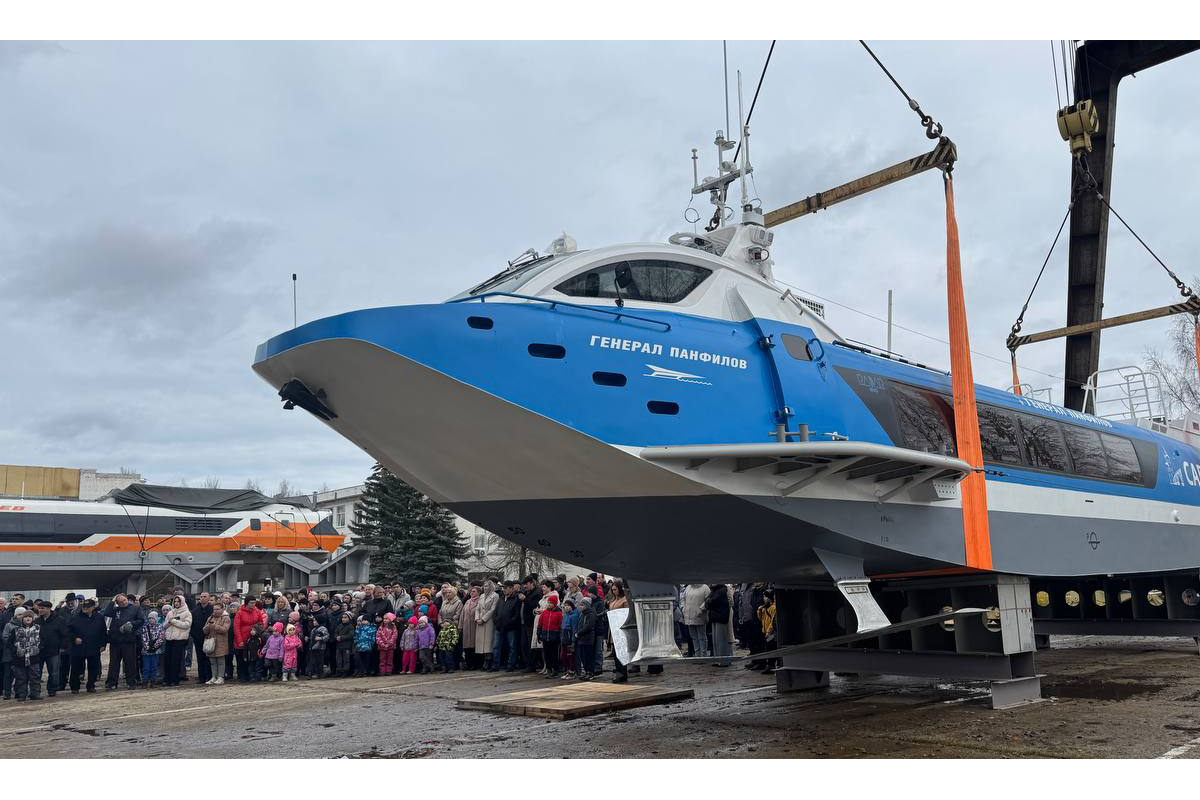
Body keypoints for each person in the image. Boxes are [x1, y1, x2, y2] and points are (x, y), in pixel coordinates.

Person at [104, 593, 145, 690]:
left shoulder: (136, 608)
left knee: (130, 662)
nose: (123, 603)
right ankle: (112, 682)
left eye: (124, 600)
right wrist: (112, 601)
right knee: (114, 663)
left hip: (128, 640)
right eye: (120, 602)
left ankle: (131, 682)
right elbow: (107, 613)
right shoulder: (115, 609)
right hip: (115, 640)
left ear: (127, 599)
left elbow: (141, 620)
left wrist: (132, 624)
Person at [68, 598, 108, 693]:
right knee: (76, 668)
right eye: (84, 607)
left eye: (88, 607)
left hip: (93, 646)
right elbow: (68, 631)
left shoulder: (99, 617)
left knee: (93, 667)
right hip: (78, 648)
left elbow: (103, 632)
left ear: (93, 607)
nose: (85, 608)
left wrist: (103, 644)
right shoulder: (75, 617)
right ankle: (75, 687)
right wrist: (74, 638)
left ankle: (91, 685)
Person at [34, 600, 68, 697]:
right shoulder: (37, 621)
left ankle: (52, 689)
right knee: (36, 673)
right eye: (39, 608)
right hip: (39, 651)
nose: (40, 610)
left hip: (54, 650)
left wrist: (62, 647)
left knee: (54, 672)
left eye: (42, 608)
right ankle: (36, 691)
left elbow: (65, 635)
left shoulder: (59, 620)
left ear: (49, 609)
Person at [11, 607, 42, 701]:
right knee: (21, 678)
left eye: (30, 616)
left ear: (33, 618)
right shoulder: (16, 630)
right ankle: (21, 695)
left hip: (34, 657)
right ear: (22, 618)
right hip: (20, 658)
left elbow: (44, 640)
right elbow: (10, 643)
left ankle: (35, 694)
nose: (28, 618)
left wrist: (39, 648)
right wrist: (15, 651)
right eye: (26, 617)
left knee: (35, 677)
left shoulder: (38, 629)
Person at [233, 600, 266, 682]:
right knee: (242, 658)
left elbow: (261, 623)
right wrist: (240, 640)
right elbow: (236, 627)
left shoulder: (257, 611)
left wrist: (257, 632)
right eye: (251, 603)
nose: (253, 604)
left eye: (254, 603)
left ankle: (252, 675)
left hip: (254, 638)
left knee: (252, 659)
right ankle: (242, 676)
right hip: (242, 637)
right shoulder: (240, 613)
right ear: (246, 603)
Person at [201, 601, 231, 685]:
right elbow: (204, 630)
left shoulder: (226, 618)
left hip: (221, 642)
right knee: (212, 661)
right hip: (211, 642)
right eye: (214, 609)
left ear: (222, 609)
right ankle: (214, 677)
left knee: (220, 661)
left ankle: (221, 677)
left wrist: (215, 626)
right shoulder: (210, 618)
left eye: (217, 609)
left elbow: (225, 629)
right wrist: (207, 627)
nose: (215, 611)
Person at [493, 582, 521, 671]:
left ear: (512, 588)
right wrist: (496, 621)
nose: (504, 590)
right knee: (496, 646)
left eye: (506, 588)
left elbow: (516, 615)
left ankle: (511, 665)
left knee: (512, 647)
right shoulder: (501, 599)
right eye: (503, 588)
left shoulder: (515, 599)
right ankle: (496, 665)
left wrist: (509, 623)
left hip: (510, 628)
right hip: (499, 627)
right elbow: (495, 612)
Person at [517, 576, 542, 673]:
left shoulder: (537, 593)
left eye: (526, 584)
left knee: (530, 645)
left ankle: (532, 665)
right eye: (524, 584)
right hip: (524, 623)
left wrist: (525, 599)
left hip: (531, 622)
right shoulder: (527, 592)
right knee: (524, 644)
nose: (525, 586)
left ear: (532, 583)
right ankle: (527, 663)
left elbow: (533, 606)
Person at [437, 584, 463, 672]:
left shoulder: (458, 602)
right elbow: (440, 613)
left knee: (450, 648)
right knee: (442, 648)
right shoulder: (444, 602)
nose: (447, 594)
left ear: (454, 593)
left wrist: (449, 622)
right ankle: (444, 667)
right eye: (447, 592)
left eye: (450, 592)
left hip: (452, 627)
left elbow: (458, 615)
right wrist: (441, 623)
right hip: (443, 627)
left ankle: (452, 666)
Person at [190, 591, 214, 684]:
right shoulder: (195, 610)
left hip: (209, 637)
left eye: (205, 596)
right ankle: (201, 677)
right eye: (201, 596)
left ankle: (210, 676)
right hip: (198, 638)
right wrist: (195, 636)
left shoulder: (212, 609)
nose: (202, 598)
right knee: (200, 658)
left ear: (208, 598)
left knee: (209, 658)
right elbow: (192, 625)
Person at [682, 583, 711, 657]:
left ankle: (703, 655)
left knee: (702, 636)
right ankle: (697, 654)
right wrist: (683, 609)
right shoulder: (688, 587)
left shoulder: (705, 587)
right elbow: (684, 599)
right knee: (694, 637)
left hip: (700, 616)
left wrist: (701, 609)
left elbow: (708, 600)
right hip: (688, 616)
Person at [608, 583, 630, 683]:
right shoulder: (612, 601)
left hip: (621, 628)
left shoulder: (624, 600)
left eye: (615, 589)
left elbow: (626, 614)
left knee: (621, 653)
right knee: (616, 653)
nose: (614, 591)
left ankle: (622, 674)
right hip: (613, 628)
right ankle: (619, 672)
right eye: (612, 590)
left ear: (620, 589)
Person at [474, 580, 498, 669]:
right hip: (479, 620)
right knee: (481, 643)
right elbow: (477, 608)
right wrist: (477, 618)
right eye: (484, 586)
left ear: (491, 587)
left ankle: (489, 661)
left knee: (488, 642)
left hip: (488, 621)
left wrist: (483, 619)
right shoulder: (482, 596)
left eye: (487, 586)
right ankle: (484, 660)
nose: (485, 588)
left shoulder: (495, 596)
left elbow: (493, 609)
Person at [707, 583, 732, 667]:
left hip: (720, 617)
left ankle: (724, 661)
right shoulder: (714, 591)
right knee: (716, 641)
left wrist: (709, 601)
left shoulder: (721, 591)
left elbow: (712, 601)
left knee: (721, 640)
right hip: (714, 617)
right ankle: (717, 659)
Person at [538, 593, 563, 678]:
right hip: (545, 635)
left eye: (551, 603)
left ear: (555, 604)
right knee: (547, 654)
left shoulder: (559, 614)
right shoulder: (544, 613)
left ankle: (555, 670)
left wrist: (559, 636)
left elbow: (560, 625)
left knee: (554, 654)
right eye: (548, 603)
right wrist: (539, 634)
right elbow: (540, 624)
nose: (549, 604)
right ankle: (549, 669)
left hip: (554, 636)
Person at [139, 611, 165, 687]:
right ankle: (145, 681)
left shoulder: (160, 627)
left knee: (154, 667)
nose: (151, 620)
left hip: (156, 651)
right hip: (146, 651)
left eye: (152, 618)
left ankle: (153, 681)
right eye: (149, 618)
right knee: (146, 667)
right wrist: (147, 647)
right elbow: (143, 638)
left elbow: (161, 638)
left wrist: (154, 647)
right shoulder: (145, 627)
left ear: (156, 618)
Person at [574, 596, 596, 681]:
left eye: (582, 605)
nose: (580, 606)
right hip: (581, 639)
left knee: (588, 656)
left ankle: (590, 672)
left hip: (588, 639)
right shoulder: (582, 614)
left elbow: (588, 626)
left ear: (587, 605)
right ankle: (586, 671)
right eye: (580, 605)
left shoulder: (590, 614)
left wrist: (579, 633)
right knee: (583, 656)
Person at [758, 591, 778, 672]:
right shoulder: (764, 608)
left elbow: (773, 621)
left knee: (771, 648)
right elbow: (761, 619)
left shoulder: (773, 608)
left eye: (765, 597)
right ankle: (769, 665)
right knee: (768, 648)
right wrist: (759, 611)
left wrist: (769, 631)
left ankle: (771, 665)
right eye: (764, 597)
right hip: (765, 631)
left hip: (770, 632)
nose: (764, 598)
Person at [461, 585, 480, 670]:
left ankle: (475, 664)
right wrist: (460, 626)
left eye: (474, 591)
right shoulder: (468, 601)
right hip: (466, 626)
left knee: (474, 646)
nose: (472, 593)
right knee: (466, 646)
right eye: (471, 591)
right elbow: (462, 614)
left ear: (478, 592)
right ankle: (468, 664)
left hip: (474, 625)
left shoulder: (480, 601)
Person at [559, 599, 578, 679]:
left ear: (572, 606)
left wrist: (573, 641)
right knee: (563, 656)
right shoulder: (565, 615)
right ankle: (567, 671)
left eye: (568, 606)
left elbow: (574, 629)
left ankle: (572, 672)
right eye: (565, 606)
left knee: (570, 656)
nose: (566, 607)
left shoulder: (574, 616)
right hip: (564, 638)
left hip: (570, 639)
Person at [333, 612, 355, 677]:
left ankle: (345, 671)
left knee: (346, 659)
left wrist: (341, 637)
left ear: (349, 618)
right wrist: (336, 637)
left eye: (345, 618)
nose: (343, 619)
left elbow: (351, 635)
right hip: (339, 646)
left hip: (347, 646)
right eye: (342, 617)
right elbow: (335, 633)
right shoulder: (339, 626)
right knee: (338, 659)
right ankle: (339, 671)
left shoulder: (350, 626)